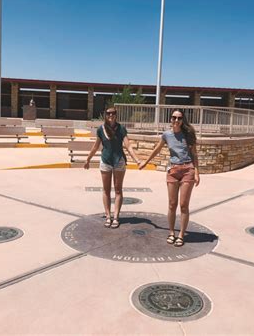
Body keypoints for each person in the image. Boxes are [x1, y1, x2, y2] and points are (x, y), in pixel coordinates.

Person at [139, 109, 200, 247]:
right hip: (173, 171)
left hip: (187, 170)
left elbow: (194, 154)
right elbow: (157, 149)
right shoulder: (167, 135)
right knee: (172, 204)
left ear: (182, 120)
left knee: (183, 205)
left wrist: (197, 173)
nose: (176, 120)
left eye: (179, 118)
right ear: (170, 119)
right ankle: (172, 232)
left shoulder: (188, 134)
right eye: (174, 118)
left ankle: (181, 235)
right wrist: (146, 161)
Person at [84, 106, 142, 228]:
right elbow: (95, 146)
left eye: (113, 113)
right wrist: (88, 159)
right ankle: (108, 216)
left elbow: (128, 146)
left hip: (119, 161)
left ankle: (116, 217)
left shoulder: (121, 129)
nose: (111, 116)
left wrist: (137, 160)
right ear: (105, 115)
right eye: (108, 113)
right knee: (105, 190)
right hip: (105, 161)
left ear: (116, 115)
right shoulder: (101, 129)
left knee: (118, 190)